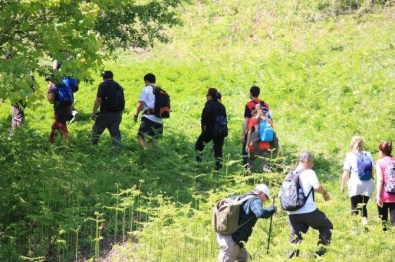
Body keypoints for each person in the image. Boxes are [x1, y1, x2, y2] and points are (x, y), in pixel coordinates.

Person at [287, 152, 332, 258]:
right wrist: (325, 193)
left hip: (292, 213)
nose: (313, 165)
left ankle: (291, 259)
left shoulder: (290, 174)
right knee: (327, 226)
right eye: (312, 162)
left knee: (295, 240)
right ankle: (319, 256)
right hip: (308, 211)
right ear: (307, 162)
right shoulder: (308, 172)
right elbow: (316, 186)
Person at [216, 184, 276, 262]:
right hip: (231, 240)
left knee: (244, 258)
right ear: (263, 194)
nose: (265, 200)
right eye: (266, 198)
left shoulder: (243, 197)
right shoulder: (255, 200)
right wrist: (272, 209)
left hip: (230, 237)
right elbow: (260, 213)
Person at [341, 136, 375, 226]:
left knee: (354, 206)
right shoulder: (368, 154)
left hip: (356, 184)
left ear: (352, 144)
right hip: (368, 184)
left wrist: (342, 185)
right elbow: (372, 171)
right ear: (362, 144)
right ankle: (364, 225)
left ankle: (354, 229)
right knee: (363, 206)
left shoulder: (350, 155)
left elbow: (346, 172)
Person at [195, 87, 227, 170]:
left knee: (199, 145)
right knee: (218, 151)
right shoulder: (222, 106)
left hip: (210, 130)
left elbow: (206, 115)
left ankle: (198, 165)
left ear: (210, 96)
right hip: (220, 131)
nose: (206, 97)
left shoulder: (209, 104)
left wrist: (204, 125)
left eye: (207, 95)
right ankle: (218, 169)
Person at [91, 70, 125, 147]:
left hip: (105, 114)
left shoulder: (103, 85)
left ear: (103, 77)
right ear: (112, 77)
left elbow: (99, 99)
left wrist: (93, 113)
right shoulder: (119, 86)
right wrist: (119, 115)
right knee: (115, 136)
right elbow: (123, 101)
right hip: (117, 114)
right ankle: (118, 154)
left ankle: (92, 150)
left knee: (95, 133)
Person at [241, 86, 272, 168]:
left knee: (247, 156)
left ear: (250, 93)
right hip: (264, 134)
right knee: (265, 161)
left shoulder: (249, 104)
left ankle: (246, 174)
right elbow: (269, 119)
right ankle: (266, 177)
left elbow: (246, 121)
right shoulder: (265, 104)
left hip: (252, 134)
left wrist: (243, 135)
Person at [244, 103, 277, 172]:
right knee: (265, 167)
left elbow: (249, 132)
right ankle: (265, 181)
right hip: (266, 146)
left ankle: (248, 180)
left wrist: (247, 145)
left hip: (254, 146)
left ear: (254, 111)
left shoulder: (252, 120)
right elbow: (273, 133)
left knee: (250, 164)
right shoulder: (269, 121)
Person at [133, 73, 163, 149]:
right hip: (159, 119)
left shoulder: (146, 89)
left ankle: (146, 153)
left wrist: (136, 115)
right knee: (154, 138)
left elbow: (141, 104)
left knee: (140, 136)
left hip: (149, 117)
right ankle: (154, 157)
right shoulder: (161, 90)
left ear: (146, 81)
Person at [47, 74, 73, 143]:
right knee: (55, 126)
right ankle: (50, 142)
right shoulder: (66, 85)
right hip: (67, 109)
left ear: (51, 80)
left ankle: (67, 145)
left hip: (59, 110)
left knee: (62, 128)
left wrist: (48, 90)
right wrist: (70, 111)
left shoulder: (53, 88)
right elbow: (71, 98)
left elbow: (50, 100)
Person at [375, 141, 395, 230]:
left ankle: (384, 240)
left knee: (383, 222)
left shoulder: (380, 162)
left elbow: (380, 180)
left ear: (381, 151)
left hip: (384, 196)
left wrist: (378, 196)